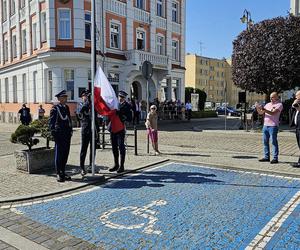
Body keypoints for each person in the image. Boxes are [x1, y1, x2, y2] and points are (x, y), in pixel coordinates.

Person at [49, 90, 73, 182]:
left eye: (66, 97)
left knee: (65, 154)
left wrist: (70, 130)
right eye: (63, 97)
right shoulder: (55, 108)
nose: (65, 99)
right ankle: (58, 173)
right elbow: (51, 122)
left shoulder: (66, 107)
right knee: (59, 154)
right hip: (59, 134)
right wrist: (54, 134)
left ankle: (63, 171)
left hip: (67, 134)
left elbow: (69, 120)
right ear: (59, 99)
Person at [256, 92, 283, 164]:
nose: (271, 98)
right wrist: (258, 108)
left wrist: (264, 109)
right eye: (271, 97)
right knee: (265, 142)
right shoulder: (267, 104)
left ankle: (275, 158)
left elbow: (273, 113)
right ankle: (266, 157)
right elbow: (261, 113)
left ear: (277, 97)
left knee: (273, 142)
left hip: (273, 126)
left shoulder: (279, 105)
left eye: (273, 97)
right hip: (265, 125)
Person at [109, 90, 132, 173]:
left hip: (120, 128)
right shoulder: (114, 104)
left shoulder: (127, 106)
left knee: (121, 147)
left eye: (122, 97)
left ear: (124, 98)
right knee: (114, 147)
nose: (120, 98)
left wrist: (121, 116)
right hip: (113, 128)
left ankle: (122, 166)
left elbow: (129, 118)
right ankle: (116, 164)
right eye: (119, 97)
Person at [79, 90, 99, 176]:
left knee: (93, 149)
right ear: (82, 97)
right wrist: (88, 101)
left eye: (87, 96)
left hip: (93, 130)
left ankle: (91, 165)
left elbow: (97, 116)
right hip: (85, 130)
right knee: (84, 149)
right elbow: (81, 112)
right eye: (84, 96)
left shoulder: (93, 105)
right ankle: (82, 167)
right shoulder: (81, 105)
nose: (86, 98)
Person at [289, 90, 300, 168]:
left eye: (297, 95)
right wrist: (294, 105)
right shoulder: (296, 103)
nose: (296, 97)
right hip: (297, 128)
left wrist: (298, 107)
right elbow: (291, 112)